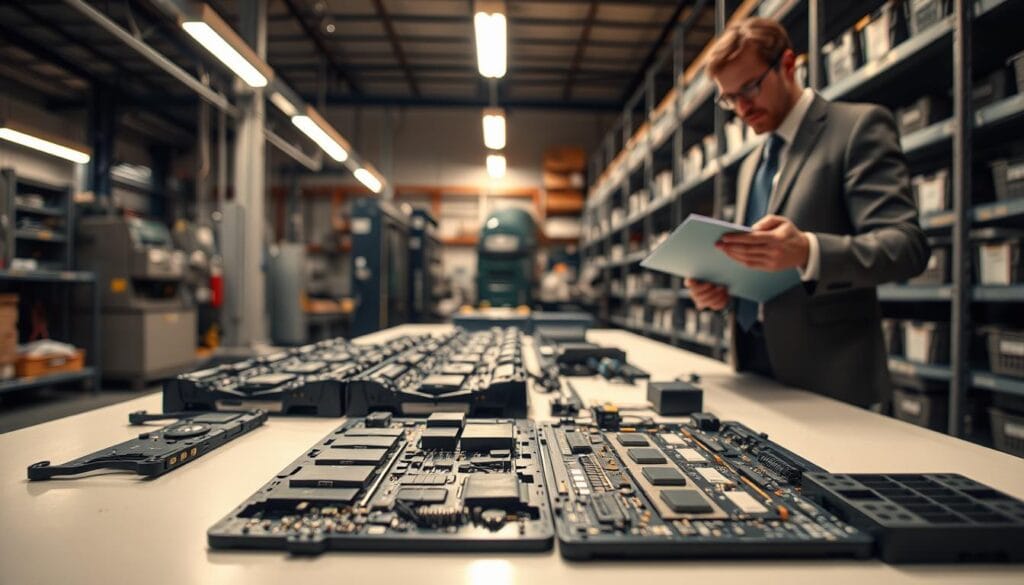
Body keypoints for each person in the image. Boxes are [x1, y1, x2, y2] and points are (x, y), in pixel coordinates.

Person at [684, 17, 930, 408]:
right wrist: (723, 291)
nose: (742, 109)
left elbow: (907, 247)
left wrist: (808, 252)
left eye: (749, 88)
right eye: (729, 99)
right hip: (752, 366)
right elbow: (762, 265)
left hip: (828, 376)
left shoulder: (856, 128)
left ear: (787, 65)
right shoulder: (752, 164)